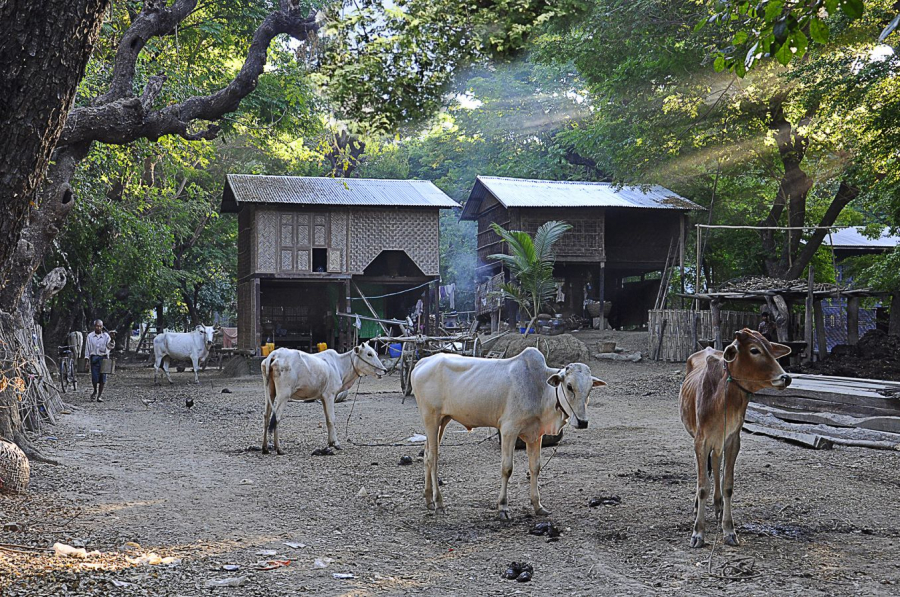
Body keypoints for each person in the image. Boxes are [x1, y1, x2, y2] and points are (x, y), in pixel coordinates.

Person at [86, 319, 115, 402]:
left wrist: (112, 339)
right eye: (96, 326)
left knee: (103, 378)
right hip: (94, 358)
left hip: (104, 358)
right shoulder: (90, 336)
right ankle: (95, 390)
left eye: (100, 326)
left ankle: (99, 395)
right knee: (94, 378)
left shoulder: (106, 336)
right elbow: (87, 349)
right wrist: (87, 360)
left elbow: (110, 346)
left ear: (102, 327)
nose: (98, 328)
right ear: (94, 326)